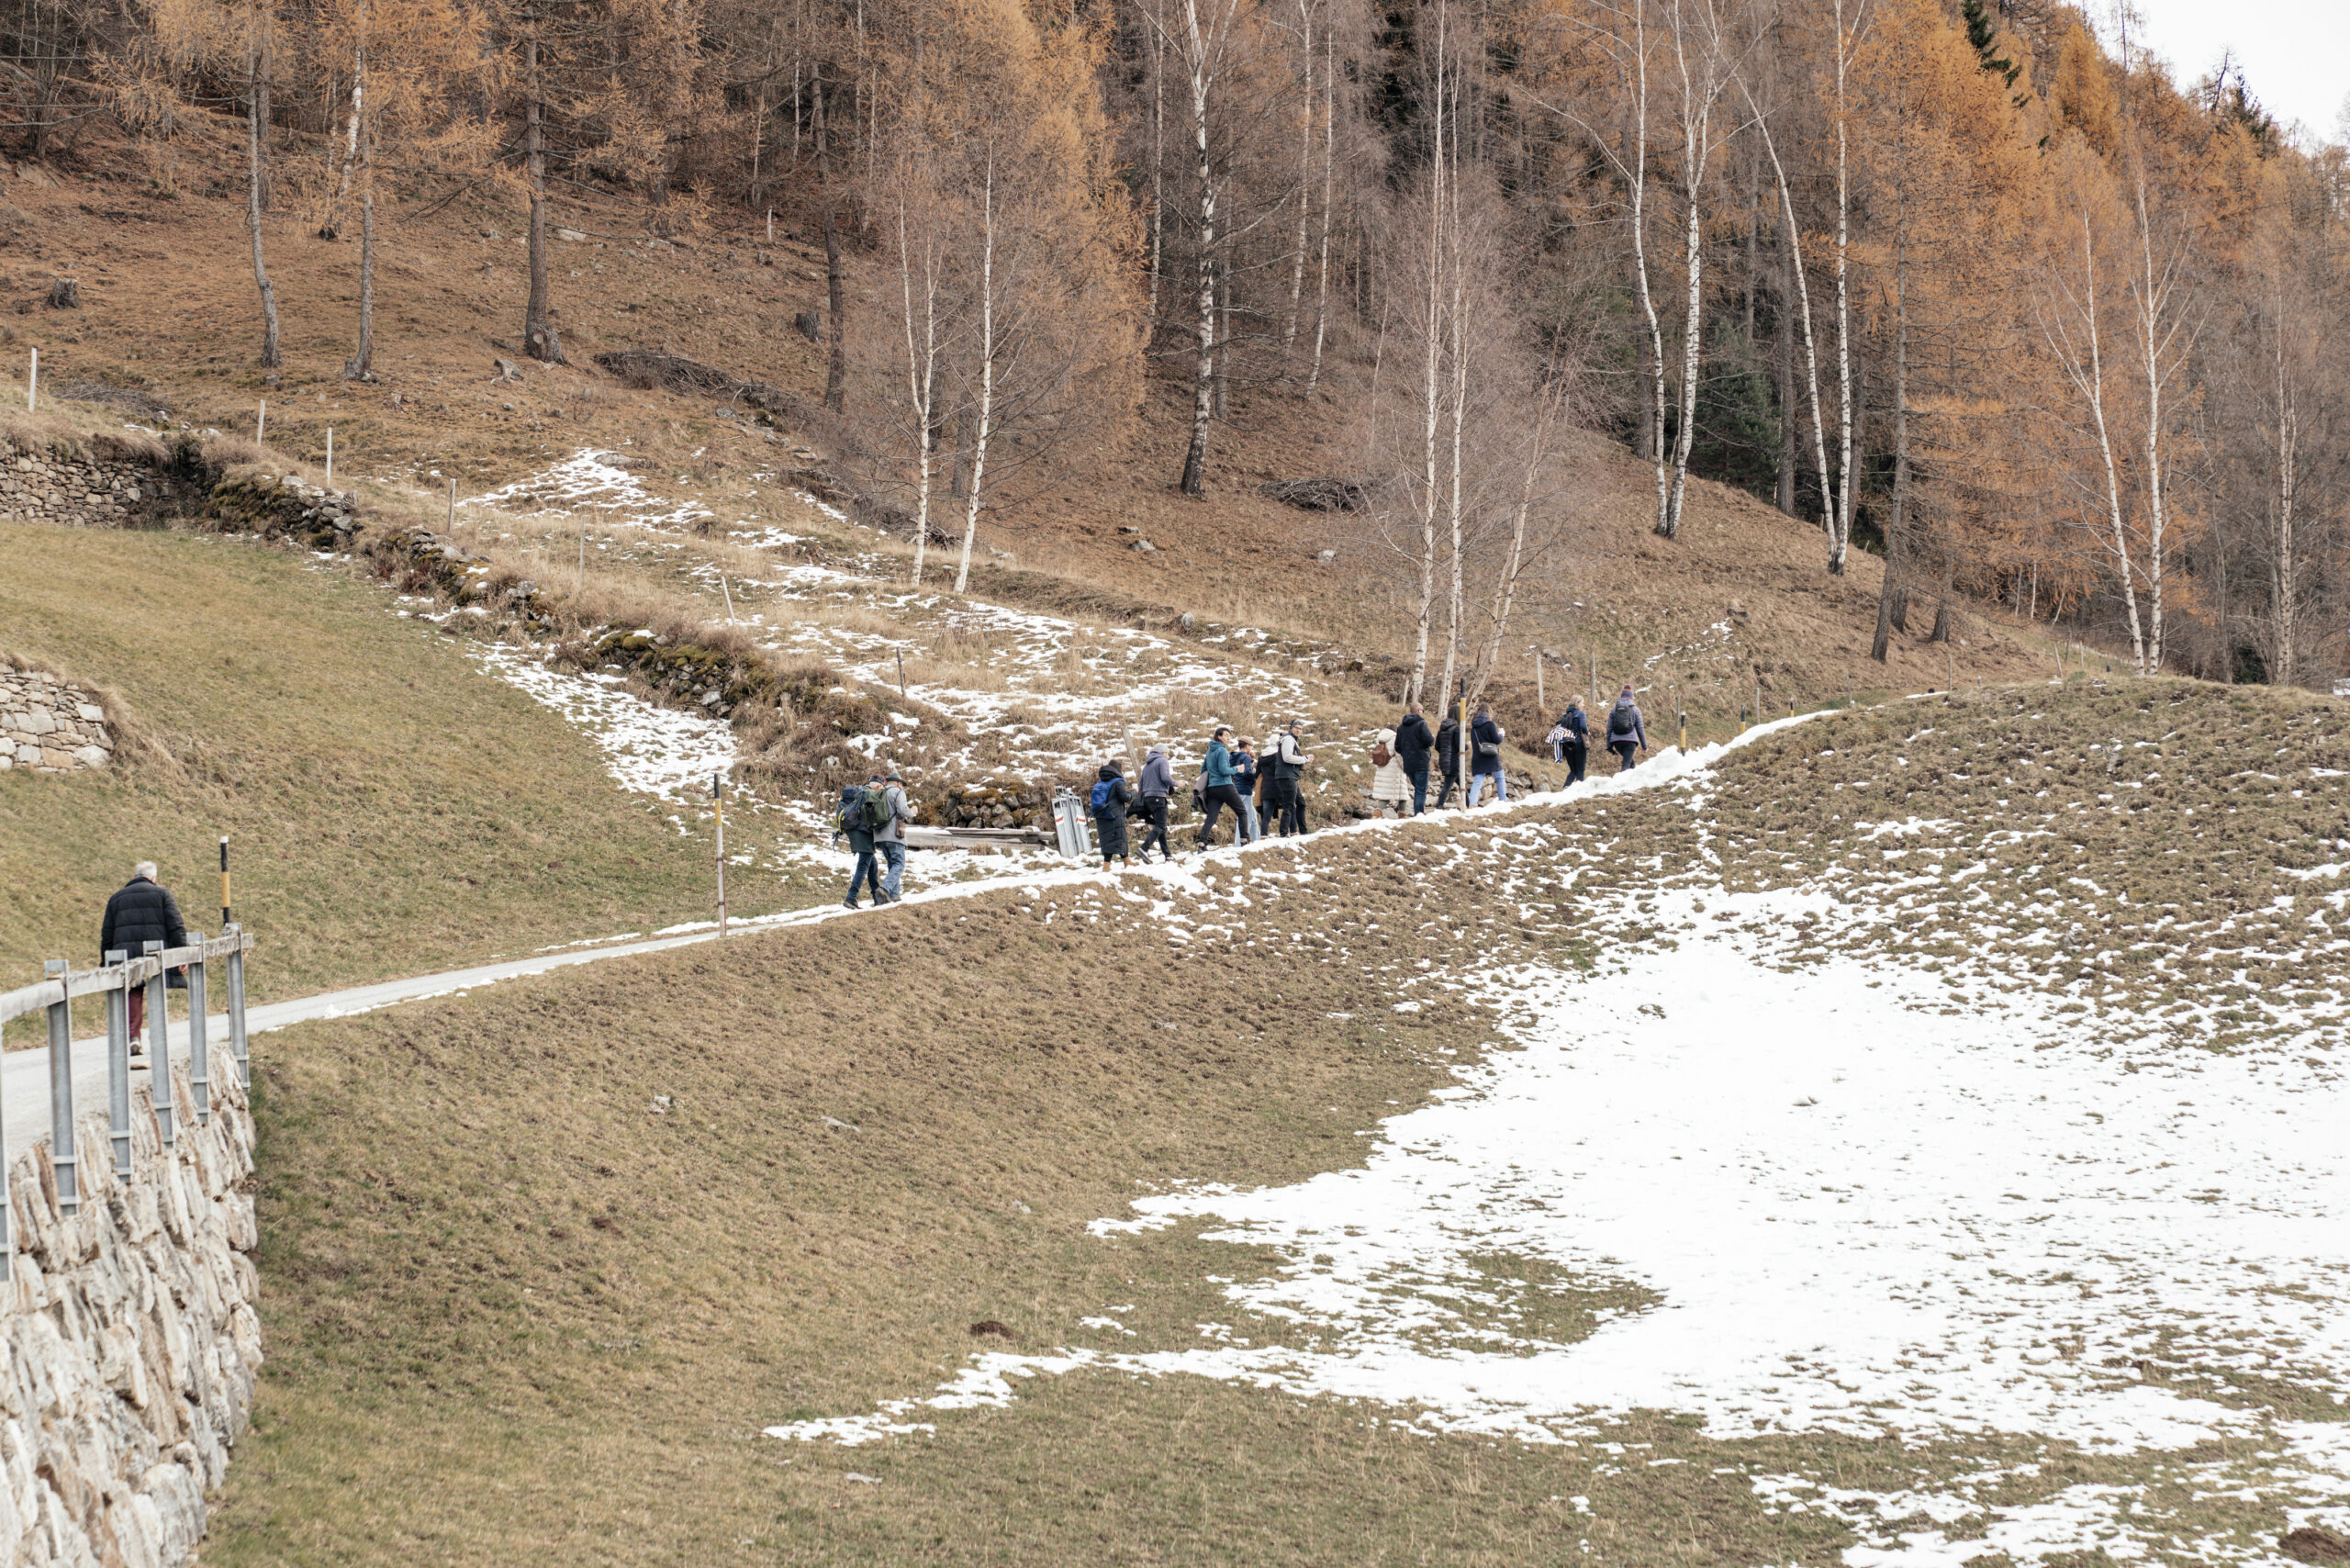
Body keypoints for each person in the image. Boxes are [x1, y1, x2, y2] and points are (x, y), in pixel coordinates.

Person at [101, 860, 185, 1050]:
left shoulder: (116, 898)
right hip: (156, 954)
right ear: (153, 878)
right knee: (157, 989)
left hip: (126, 954)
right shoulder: (162, 895)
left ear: (133, 877)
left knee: (133, 993)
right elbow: (176, 925)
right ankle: (158, 1039)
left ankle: (134, 1037)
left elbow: (107, 933)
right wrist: (182, 953)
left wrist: (105, 961)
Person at [838, 773, 886, 908]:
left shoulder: (860, 792)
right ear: (878, 786)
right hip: (863, 833)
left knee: (872, 864)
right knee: (863, 864)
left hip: (855, 832)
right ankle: (851, 897)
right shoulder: (870, 794)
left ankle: (877, 897)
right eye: (882, 788)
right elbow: (873, 817)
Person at [1197, 727, 1249, 848]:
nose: (1229, 738)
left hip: (1212, 788)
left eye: (1230, 736)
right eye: (1226, 735)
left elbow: (1203, 770)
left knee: (1211, 817)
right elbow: (1224, 770)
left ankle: (1202, 843)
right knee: (1242, 812)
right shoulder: (1222, 750)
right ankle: (1244, 840)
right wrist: (1237, 769)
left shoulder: (1209, 751)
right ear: (1219, 736)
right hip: (1225, 786)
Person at [874, 767, 913, 899]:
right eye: (901, 784)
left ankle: (894, 896)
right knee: (899, 864)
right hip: (894, 834)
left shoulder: (879, 792)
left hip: (880, 835)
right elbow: (902, 810)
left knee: (892, 865)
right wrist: (913, 812)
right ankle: (885, 888)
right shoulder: (898, 792)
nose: (902, 786)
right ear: (897, 782)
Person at [1270, 721, 1312, 835]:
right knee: (1289, 805)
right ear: (1291, 728)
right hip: (1287, 776)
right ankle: (1283, 833)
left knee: (1301, 803)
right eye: (1296, 727)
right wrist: (1305, 759)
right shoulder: (1288, 739)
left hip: (1289, 776)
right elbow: (1287, 757)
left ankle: (1303, 831)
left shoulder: (1291, 739)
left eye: (1300, 729)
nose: (1298, 730)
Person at [1090, 759, 1134, 868]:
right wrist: (1134, 792)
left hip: (1102, 814)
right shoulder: (1118, 782)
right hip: (1114, 815)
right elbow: (1125, 797)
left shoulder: (1101, 782)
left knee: (1108, 839)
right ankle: (1119, 862)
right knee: (1120, 837)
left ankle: (1110, 864)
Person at [1393, 701, 1436, 815]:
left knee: (1418, 789)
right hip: (1421, 762)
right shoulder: (1422, 724)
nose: (1423, 713)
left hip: (1408, 764)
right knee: (1420, 790)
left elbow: (1397, 747)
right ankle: (1419, 814)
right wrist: (1432, 737)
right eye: (1422, 710)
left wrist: (1406, 753)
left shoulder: (1401, 727)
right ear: (1418, 710)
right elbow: (1430, 741)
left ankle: (1418, 813)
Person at [1136, 745, 1176, 861]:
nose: (1168, 757)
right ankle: (1144, 848)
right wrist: (1177, 783)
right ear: (1163, 752)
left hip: (1148, 798)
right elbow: (1165, 778)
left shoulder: (1147, 765)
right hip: (1158, 797)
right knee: (1161, 826)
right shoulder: (1162, 761)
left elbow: (1140, 785)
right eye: (1167, 754)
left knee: (1160, 826)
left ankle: (1167, 855)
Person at [1467, 704, 1508, 806]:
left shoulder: (1473, 728)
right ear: (1489, 712)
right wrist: (1501, 734)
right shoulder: (1490, 724)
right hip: (1491, 756)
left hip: (1478, 757)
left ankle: (1472, 804)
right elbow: (1496, 740)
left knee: (1477, 781)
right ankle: (1503, 801)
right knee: (1500, 778)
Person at [1369, 724, 1413, 818]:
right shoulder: (1395, 738)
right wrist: (1405, 767)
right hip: (1394, 769)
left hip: (1382, 768)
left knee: (1385, 794)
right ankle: (1401, 814)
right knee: (1403, 792)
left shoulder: (1380, 738)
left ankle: (1377, 813)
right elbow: (1399, 755)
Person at [1606, 687, 1647, 772]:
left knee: (1631, 764)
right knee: (1626, 766)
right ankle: (1620, 780)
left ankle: (1633, 780)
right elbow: (1640, 729)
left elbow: (1609, 728)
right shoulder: (1636, 710)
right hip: (1630, 742)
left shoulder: (1614, 710)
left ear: (1621, 696)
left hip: (1617, 742)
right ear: (1631, 697)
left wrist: (1609, 746)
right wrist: (1644, 746)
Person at [1231, 738, 1262, 843]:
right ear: (1247, 745)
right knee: (1245, 818)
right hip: (1245, 790)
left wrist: (1251, 761)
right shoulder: (1245, 757)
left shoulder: (1234, 756)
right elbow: (1247, 773)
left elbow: (1238, 771)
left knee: (1252, 818)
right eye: (1251, 746)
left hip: (1237, 788)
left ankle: (1256, 841)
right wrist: (1257, 774)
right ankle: (1238, 844)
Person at [1433, 709, 1461, 809]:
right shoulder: (1456, 729)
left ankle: (1470, 804)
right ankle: (1439, 806)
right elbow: (1459, 747)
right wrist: (1467, 746)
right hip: (1452, 761)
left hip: (1444, 761)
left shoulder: (1442, 729)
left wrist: (1444, 753)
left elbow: (1437, 746)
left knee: (1462, 784)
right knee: (1447, 785)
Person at [1561, 698, 1590, 785]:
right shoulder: (1581, 713)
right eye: (1582, 703)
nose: (1583, 705)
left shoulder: (1565, 715)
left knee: (1573, 770)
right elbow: (1583, 726)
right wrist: (1587, 732)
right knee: (1580, 769)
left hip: (1567, 745)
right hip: (1578, 743)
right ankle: (1580, 790)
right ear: (1577, 703)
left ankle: (1566, 787)